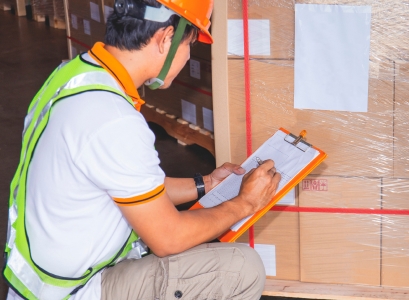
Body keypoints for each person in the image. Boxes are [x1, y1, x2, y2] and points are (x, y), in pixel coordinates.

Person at [4, 0, 281, 299]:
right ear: (165, 39)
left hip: (37, 285)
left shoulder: (75, 75)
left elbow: (130, 183)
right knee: (241, 268)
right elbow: (168, 238)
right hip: (76, 291)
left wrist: (206, 185)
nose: (188, 56)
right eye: (190, 44)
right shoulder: (113, 118)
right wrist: (245, 204)